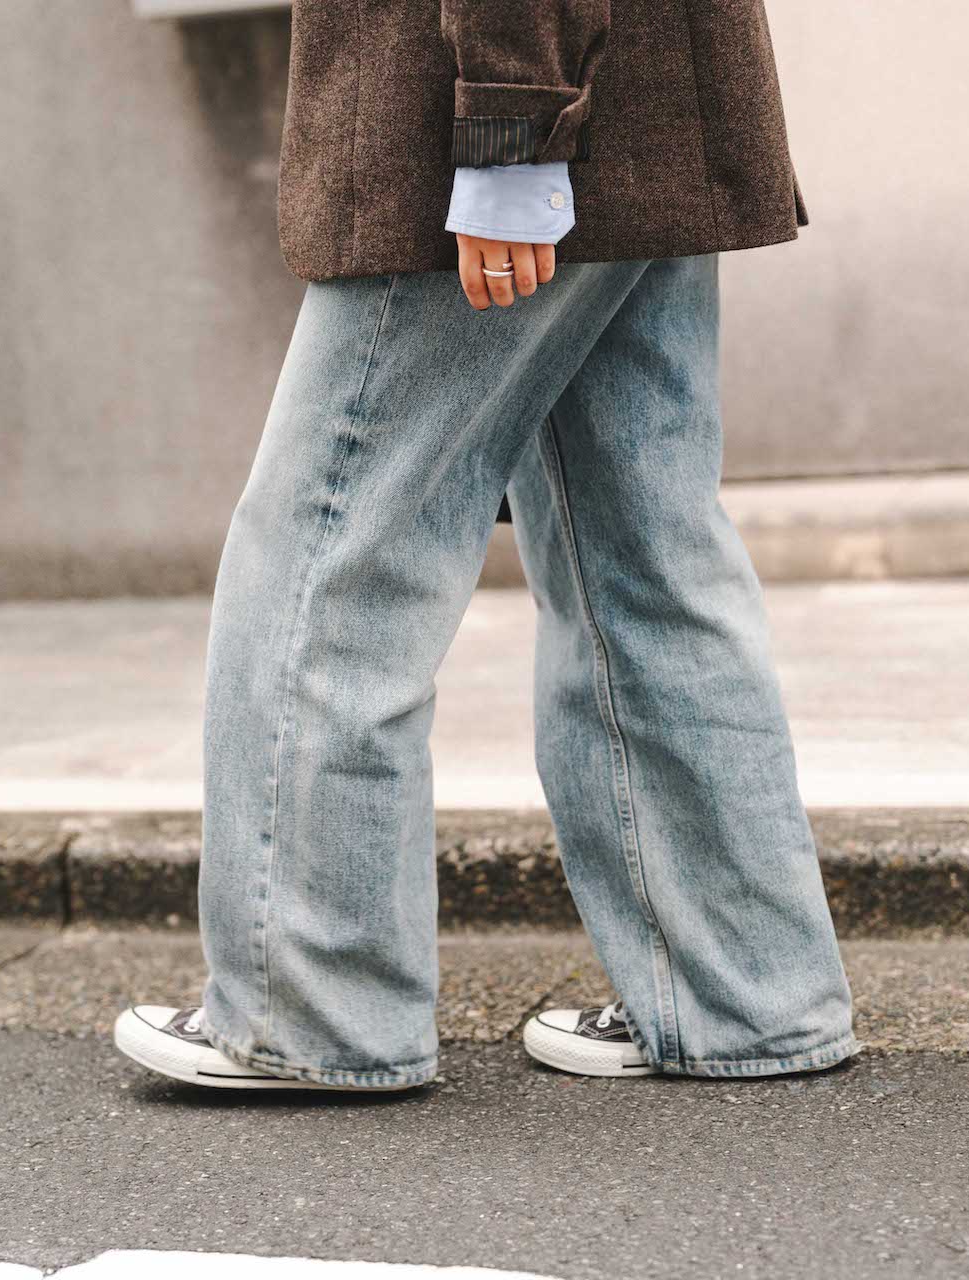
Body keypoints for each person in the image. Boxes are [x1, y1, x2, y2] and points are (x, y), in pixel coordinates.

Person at [114, 0, 859, 1090]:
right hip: (650, 107)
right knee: (644, 559)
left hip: (491, 117)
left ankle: (312, 1013)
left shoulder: (511, 126)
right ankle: (746, 996)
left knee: (327, 564)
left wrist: (511, 132)